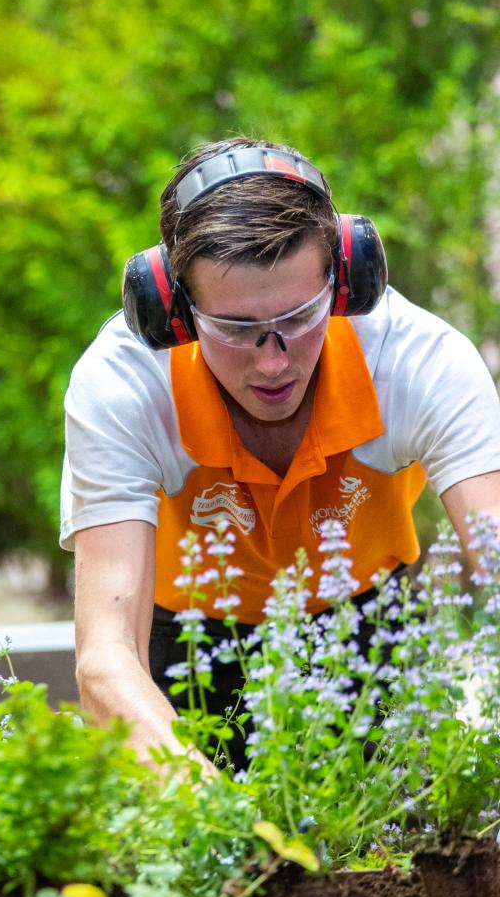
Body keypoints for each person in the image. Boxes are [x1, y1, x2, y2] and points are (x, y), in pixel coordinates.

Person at [60, 136, 500, 772]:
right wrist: (203, 809)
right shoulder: (125, 383)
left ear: (346, 281)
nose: (272, 360)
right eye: (235, 329)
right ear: (173, 311)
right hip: (186, 645)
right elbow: (105, 656)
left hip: (369, 624)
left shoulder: (417, 361)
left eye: (300, 316)